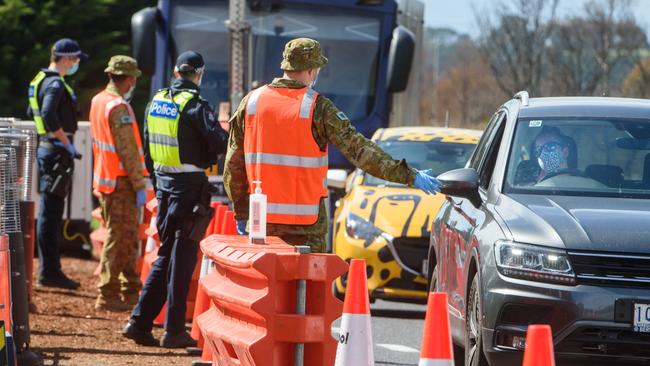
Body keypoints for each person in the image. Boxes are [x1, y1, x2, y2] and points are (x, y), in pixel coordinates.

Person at [223, 38, 441, 253]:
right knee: (305, 288)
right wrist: (408, 175)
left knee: (266, 285)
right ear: (311, 69)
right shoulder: (318, 108)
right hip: (306, 230)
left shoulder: (251, 103)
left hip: (261, 226)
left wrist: (242, 213)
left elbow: (233, 167)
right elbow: (361, 152)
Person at [122, 51, 228, 347]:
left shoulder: (157, 101)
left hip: (165, 188)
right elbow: (219, 142)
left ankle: (139, 322)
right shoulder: (194, 105)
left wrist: (158, 184)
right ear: (199, 73)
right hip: (189, 189)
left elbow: (147, 148)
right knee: (182, 260)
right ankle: (173, 331)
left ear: (176, 72)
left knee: (167, 254)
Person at [89, 56, 149, 311]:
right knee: (119, 238)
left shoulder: (98, 101)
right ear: (128, 79)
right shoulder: (117, 107)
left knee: (124, 237)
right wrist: (140, 185)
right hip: (120, 182)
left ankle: (129, 289)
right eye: (133, 78)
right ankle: (108, 292)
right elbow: (128, 151)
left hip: (106, 179)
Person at [27, 38, 87, 289]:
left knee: (48, 212)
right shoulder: (54, 83)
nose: (75, 64)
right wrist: (66, 142)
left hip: (47, 149)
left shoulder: (38, 80)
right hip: (56, 151)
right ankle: (50, 272)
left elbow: (33, 113)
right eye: (74, 60)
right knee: (50, 214)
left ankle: (49, 270)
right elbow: (50, 115)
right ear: (64, 59)